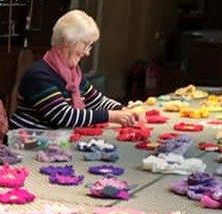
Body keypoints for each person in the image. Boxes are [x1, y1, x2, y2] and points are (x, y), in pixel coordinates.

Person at [10, 9, 139, 130]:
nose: (87, 53)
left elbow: (96, 101)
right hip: (26, 144)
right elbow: (64, 116)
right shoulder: (39, 75)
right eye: (86, 45)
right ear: (68, 42)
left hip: (53, 141)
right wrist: (112, 116)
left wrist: (123, 109)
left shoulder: (73, 74)